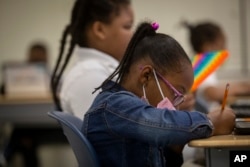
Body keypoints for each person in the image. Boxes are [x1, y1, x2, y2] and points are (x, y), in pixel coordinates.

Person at [82, 21, 235, 167]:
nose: (178, 102)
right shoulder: (114, 106)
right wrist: (211, 122)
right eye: (177, 92)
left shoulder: (132, 112)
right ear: (146, 76)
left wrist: (175, 147)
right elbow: (163, 122)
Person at [51, 0, 134, 119]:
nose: (133, 34)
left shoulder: (98, 71)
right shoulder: (89, 76)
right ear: (100, 30)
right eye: (127, 26)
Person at [183, 21, 250, 112]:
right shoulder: (201, 66)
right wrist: (243, 87)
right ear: (208, 47)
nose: (225, 50)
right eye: (222, 46)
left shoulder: (195, 63)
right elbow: (211, 93)